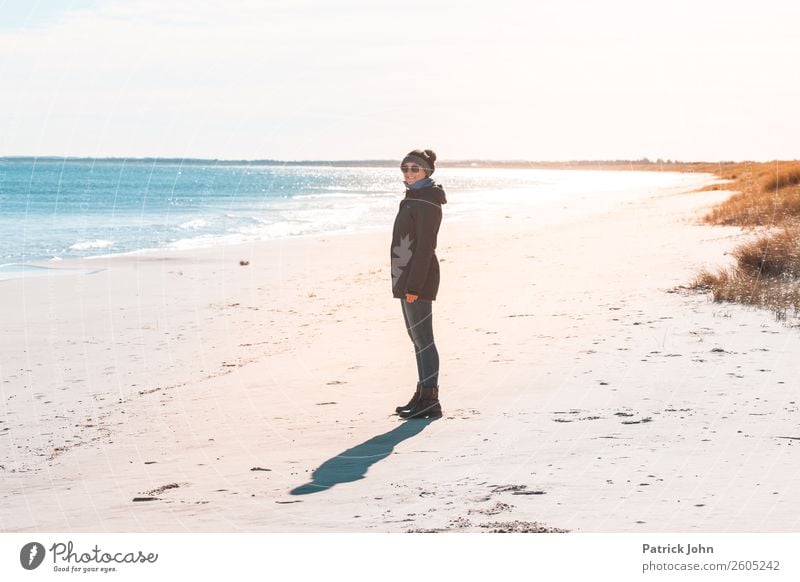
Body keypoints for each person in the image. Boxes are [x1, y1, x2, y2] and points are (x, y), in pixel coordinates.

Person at [390, 149, 447, 419]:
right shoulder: (414, 198)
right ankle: (422, 393)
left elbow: (425, 248)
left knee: (424, 339)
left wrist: (414, 286)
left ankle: (430, 399)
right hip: (406, 276)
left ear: (427, 171)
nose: (409, 173)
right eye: (405, 168)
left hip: (418, 279)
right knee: (416, 339)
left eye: (415, 168)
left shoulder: (428, 202)